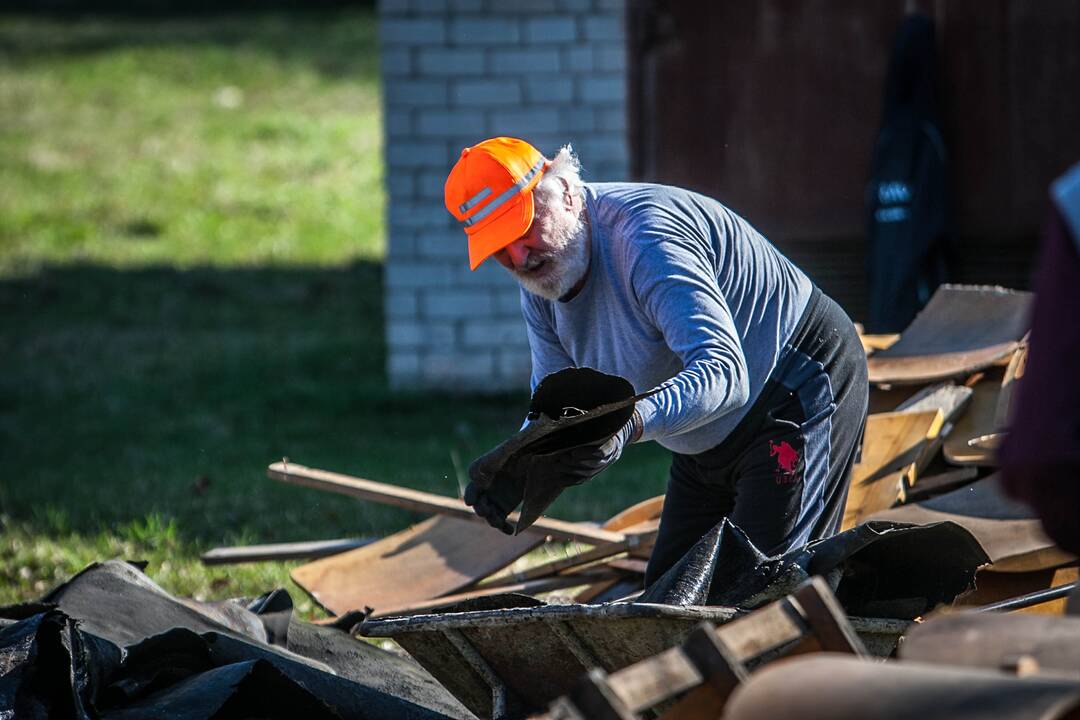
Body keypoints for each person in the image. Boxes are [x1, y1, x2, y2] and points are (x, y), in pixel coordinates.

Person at [444, 137, 868, 584]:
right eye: (499, 247)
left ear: (565, 192)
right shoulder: (543, 283)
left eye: (525, 228)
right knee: (666, 603)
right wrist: (523, 460)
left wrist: (627, 423)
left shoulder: (645, 238)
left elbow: (725, 371)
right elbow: (557, 402)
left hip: (794, 384)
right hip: (703, 437)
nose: (519, 258)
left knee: (766, 592)